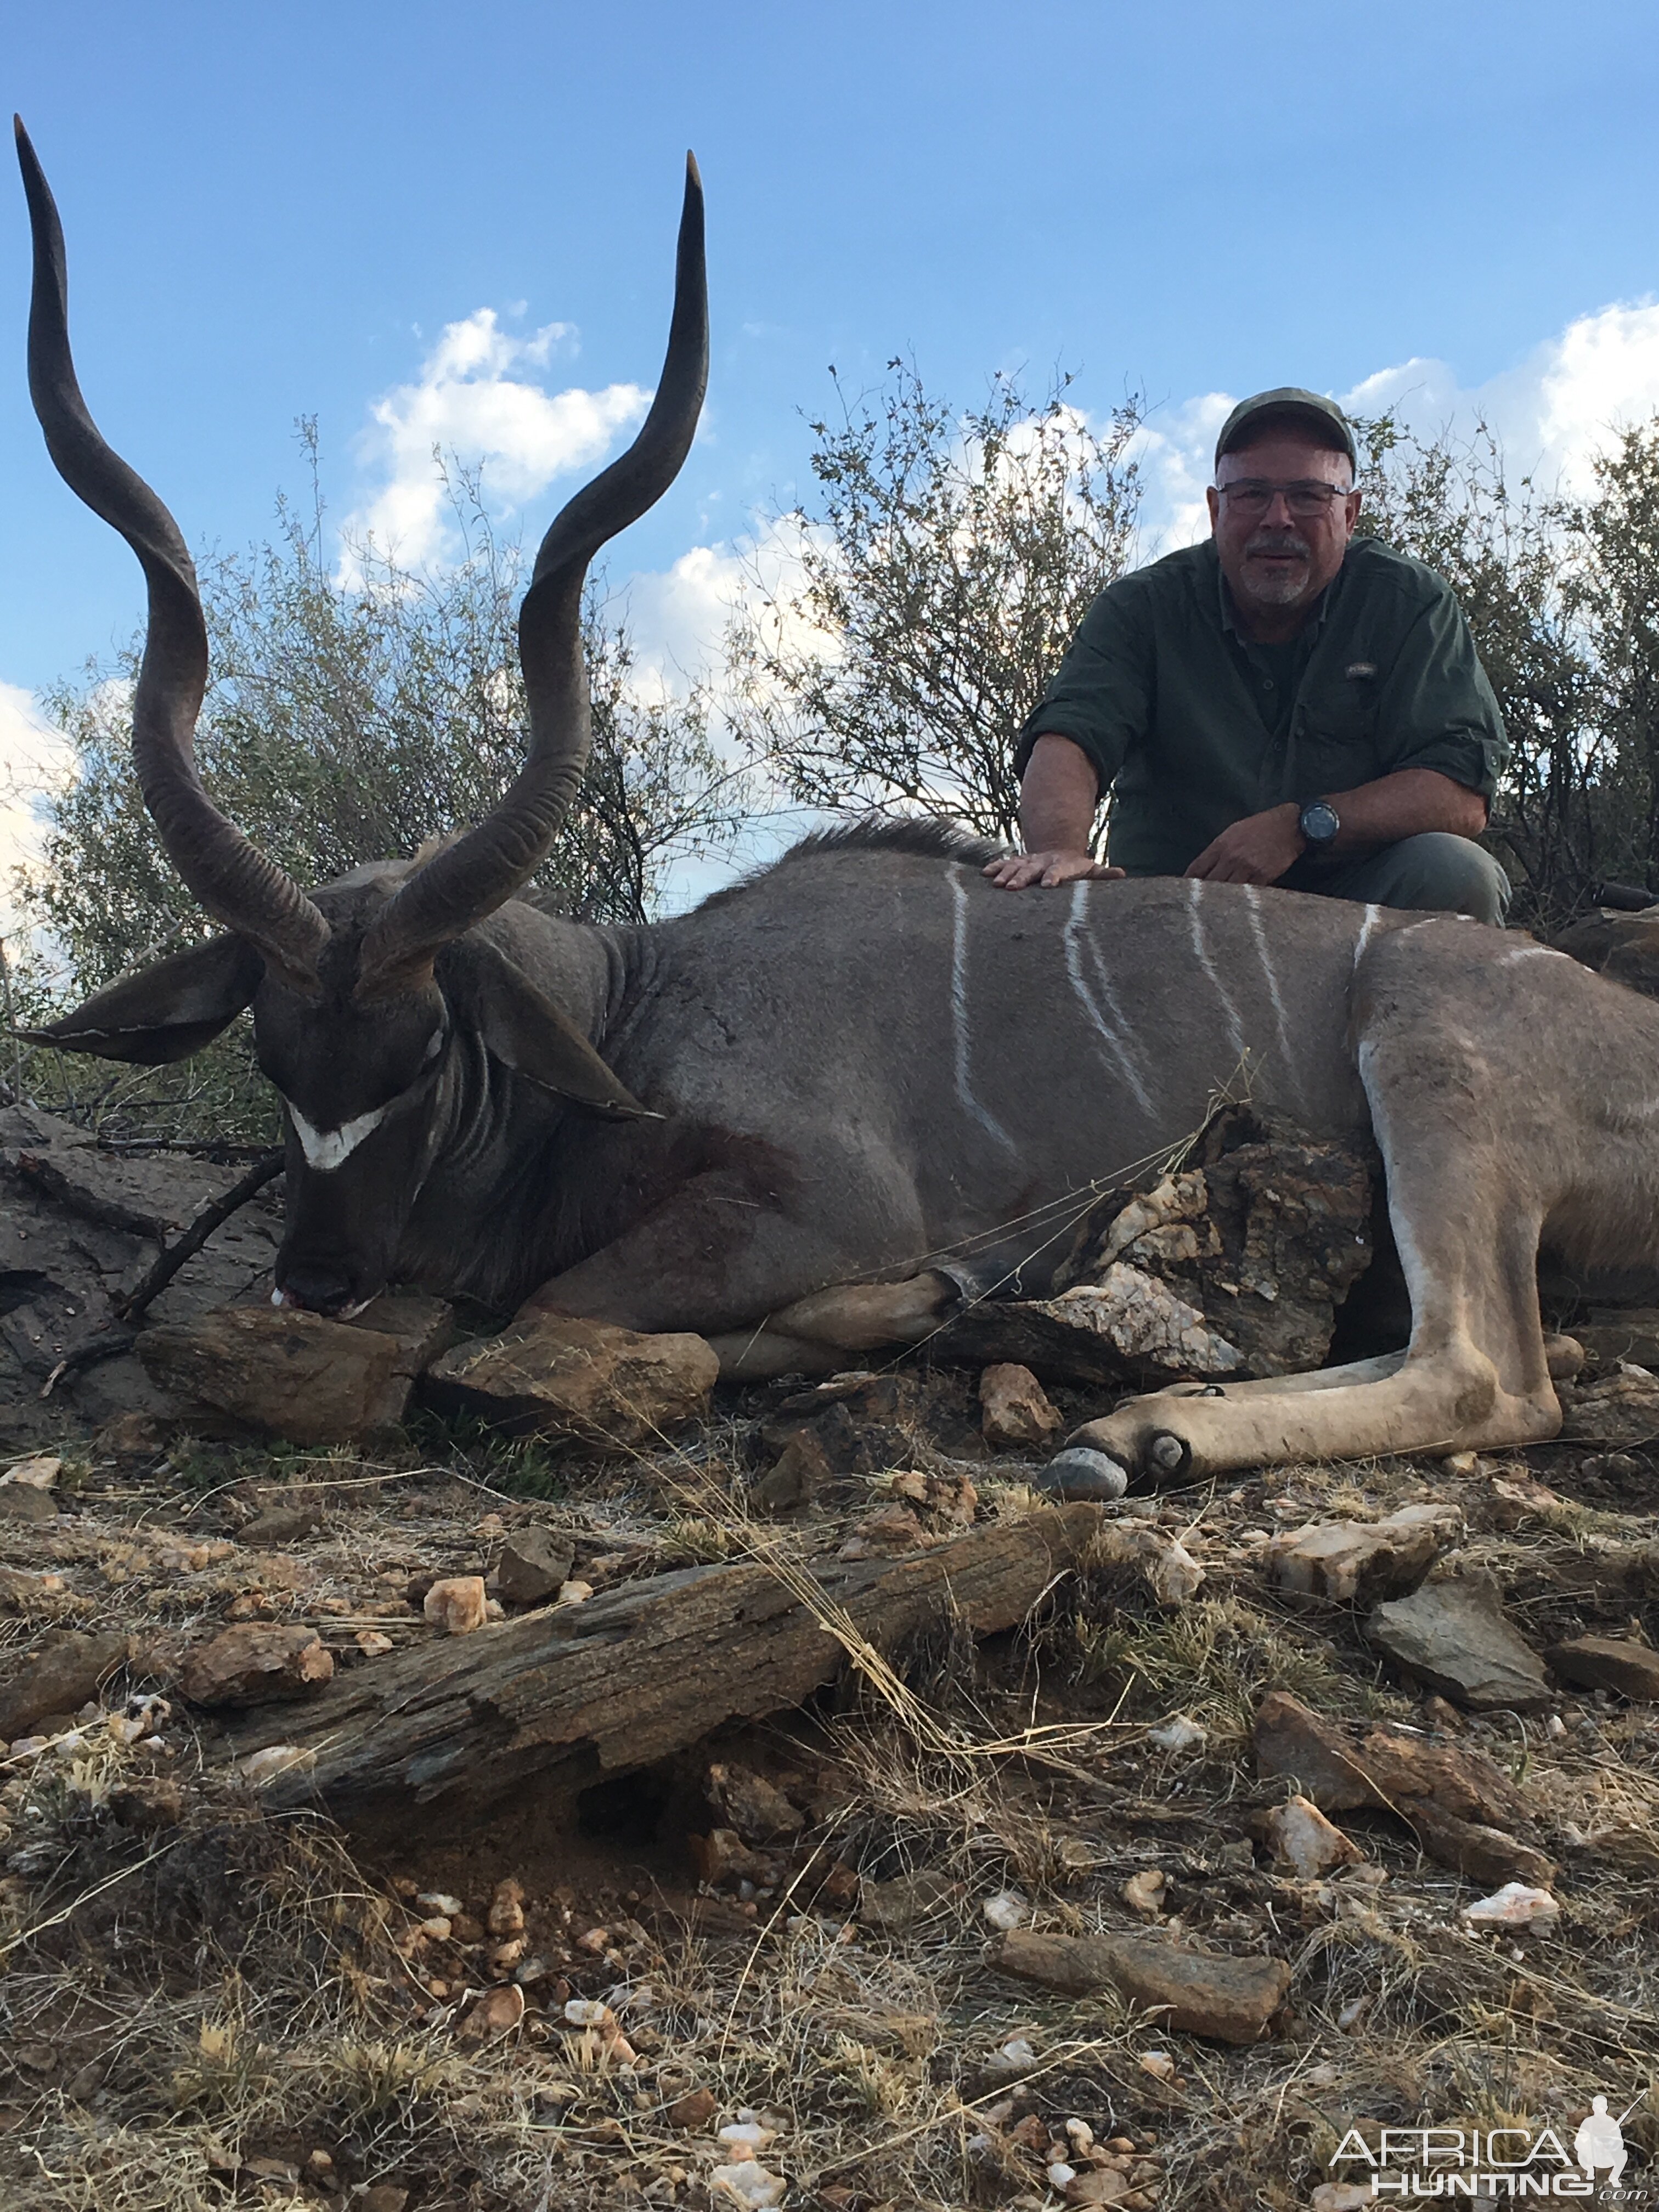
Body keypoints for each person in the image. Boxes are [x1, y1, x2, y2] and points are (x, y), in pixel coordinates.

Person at [983, 387, 1511, 924]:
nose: (1278, 518)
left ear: (1350, 515)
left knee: (1456, 871)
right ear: (1216, 509)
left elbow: (1461, 792)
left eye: (1308, 495)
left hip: (1351, 907)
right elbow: (1072, 736)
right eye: (1251, 493)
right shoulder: (1141, 607)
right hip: (1177, 908)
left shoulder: (1407, 602)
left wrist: (1301, 826)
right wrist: (1061, 849)